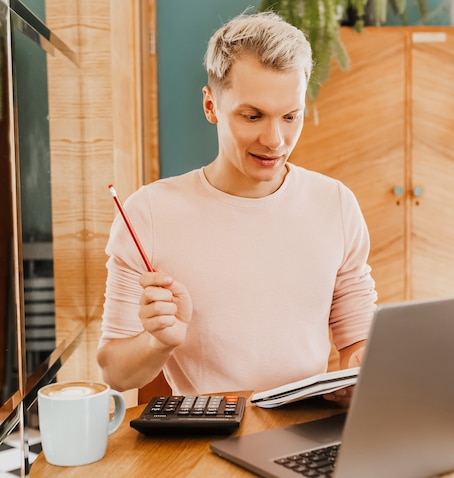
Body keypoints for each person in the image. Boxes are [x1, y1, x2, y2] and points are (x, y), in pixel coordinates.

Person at [97, 11, 377, 405]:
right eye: (252, 116)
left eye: (290, 117)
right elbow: (114, 371)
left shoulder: (336, 204)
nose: (275, 140)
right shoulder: (148, 214)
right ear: (211, 106)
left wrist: (361, 371)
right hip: (207, 442)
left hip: (304, 433)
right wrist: (158, 343)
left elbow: (357, 340)